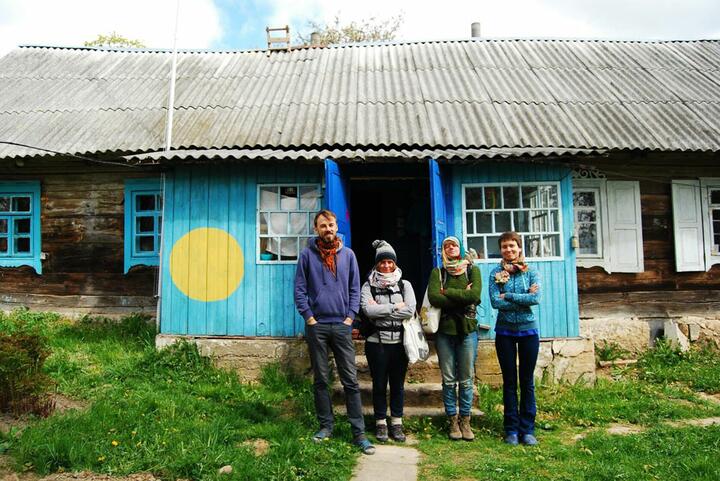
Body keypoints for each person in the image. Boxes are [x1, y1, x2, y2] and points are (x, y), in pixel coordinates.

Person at [294, 209, 375, 455]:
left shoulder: (348, 255)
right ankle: (326, 426)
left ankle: (358, 433)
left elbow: (354, 288)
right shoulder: (307, 255)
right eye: (322, 226)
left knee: (350, 380)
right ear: (316, 229)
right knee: (321, 380)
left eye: (331, 225)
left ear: (336, 226)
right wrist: (309, 317)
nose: (327, 230)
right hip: (317, 326)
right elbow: (299, 289)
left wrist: (350, 317)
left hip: (341, 325)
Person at [360, 240, 416, 443]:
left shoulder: (405, 284)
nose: (386, 266)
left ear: (395, 264)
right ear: (376, 264)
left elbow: (410, 310)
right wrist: (394, 308)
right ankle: (381, 423)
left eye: (389, 262)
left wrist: (381, 310)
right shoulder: (368, 285)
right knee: (379, 384)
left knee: (398, 385)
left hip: (400, 343)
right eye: (382, 262)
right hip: (377, 343)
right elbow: (368, 310)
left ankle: (397, 423)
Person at [488, 231, 541, 447]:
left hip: (529, 331)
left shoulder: (531, 271)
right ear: (500, 250)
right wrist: (523, 299)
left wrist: (508, 295)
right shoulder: (495, 273)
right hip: (505, 332)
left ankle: (527, 429)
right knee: (509, 382)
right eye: (504, 247)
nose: (508, 250)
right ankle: (511, 429)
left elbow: (535, 298)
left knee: (527, 381)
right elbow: (494, 302)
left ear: (519, 248)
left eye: (512, 246)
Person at [427, 236, 482, 441]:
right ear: (443, 250)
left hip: (467, 330)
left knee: (466, 380)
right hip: (444, 332)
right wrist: (462, 295)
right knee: (449, 380)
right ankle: (452, 419)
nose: (450, 248)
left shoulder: (472, 270)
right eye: (446, 246)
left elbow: (475, 296)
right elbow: (434, 297)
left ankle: (465, 421)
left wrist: (448, 293)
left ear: (460, 248)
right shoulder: (438, 272)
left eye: (454, 245)